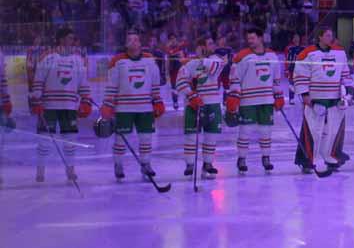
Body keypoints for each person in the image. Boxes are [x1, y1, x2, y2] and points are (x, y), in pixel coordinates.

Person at [101, 31, 165, 181]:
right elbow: (112, 86)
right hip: (124, 108)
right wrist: (108, 104)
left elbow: (155, 84)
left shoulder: (150, 60)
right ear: (126, 44)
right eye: (130, 40)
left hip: (145, 108)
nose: (133, 42)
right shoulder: (118, 61)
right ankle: (118, 165)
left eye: (136, 39)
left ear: (140, 43)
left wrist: (157, 100)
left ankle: (146, 164)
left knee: (146, 138)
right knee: (121, 139)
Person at [30, 28, 90, 183]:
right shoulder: (47, 57)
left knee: (70, 140)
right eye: (70, 38)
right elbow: (38, 81)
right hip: (49, 106)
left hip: (70, 106)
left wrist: (86, 100)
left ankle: (70, 169)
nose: (73, 41)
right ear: (61, 39)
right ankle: (40, 170)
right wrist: (36, 101)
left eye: (73, 38)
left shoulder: (78, 60)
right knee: (44, 140)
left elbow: (83, 83)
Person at [293, 28, 353, 173]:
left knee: (334, 131)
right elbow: (300, 76)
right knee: (312, 131)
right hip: (316, 99)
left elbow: (345, 74)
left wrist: (349, 93)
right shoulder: (308, 53)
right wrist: (306, 97)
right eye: (327, 35)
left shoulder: (339, 53)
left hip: (335, 99)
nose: (331, 37)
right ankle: (307, 160)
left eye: (332, 35)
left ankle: (332, 157)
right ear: (320, 37)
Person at [228, 27, 284, 174]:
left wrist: (278, 96)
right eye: (248, 39)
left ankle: (266, 158)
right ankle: (241, 159)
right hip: (248, 100)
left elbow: (276, 79)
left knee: (266, 131)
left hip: (266, 100)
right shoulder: (242, 56)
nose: (250, 41)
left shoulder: (272, 56)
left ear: (260, 38)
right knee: (245, 131)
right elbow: (234, 78)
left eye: (253, 38)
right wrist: (234, 96)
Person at [176, 36, 226, 177]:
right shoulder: (189, 64)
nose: (212, 46)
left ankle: (208, 163)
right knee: (191, 136)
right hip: (193, 104)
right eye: (209, 44)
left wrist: (200, 59)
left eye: (212, 43)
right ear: (200, 47)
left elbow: (214, 69)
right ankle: (190, 164)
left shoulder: (217, 59)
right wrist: (191, 95)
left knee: (211, 135)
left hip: (212, 103)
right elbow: (180, 82)